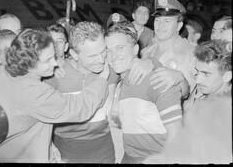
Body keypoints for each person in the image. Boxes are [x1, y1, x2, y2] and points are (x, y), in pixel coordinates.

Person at [0, 28, 110, 163]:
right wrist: (101, 81)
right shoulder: (33, 93)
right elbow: (80, 108)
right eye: (48, 60)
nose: (55, 63)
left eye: (54, 56)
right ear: (30, 63)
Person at [44, 21, 155, 163]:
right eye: (92, 56)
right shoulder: (55, 75)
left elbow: (137, 62)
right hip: (65, 156)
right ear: (74, 54)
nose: (101, 60)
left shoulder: (112, 67)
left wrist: (150, 62)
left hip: (105, 155)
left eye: (103, 51)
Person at [105, 21, 183, 163]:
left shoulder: (156, 80)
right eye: (108, 50)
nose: (113, 56)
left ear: (135, 49)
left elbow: (176, 135)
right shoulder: (121, 83)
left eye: (120, 48)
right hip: (129, 157)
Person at [143, 39, 232, 164]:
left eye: (206, 74)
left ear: (227, 76)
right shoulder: (205, 91)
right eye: (197, 72)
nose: (198, 80)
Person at [141, 0, 195, 97]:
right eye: (157, 20)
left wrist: (180, 80)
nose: (160, 26)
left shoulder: (191, 53)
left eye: (167, 21)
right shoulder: (146, 52)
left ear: (179, 25)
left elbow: (190, 94)